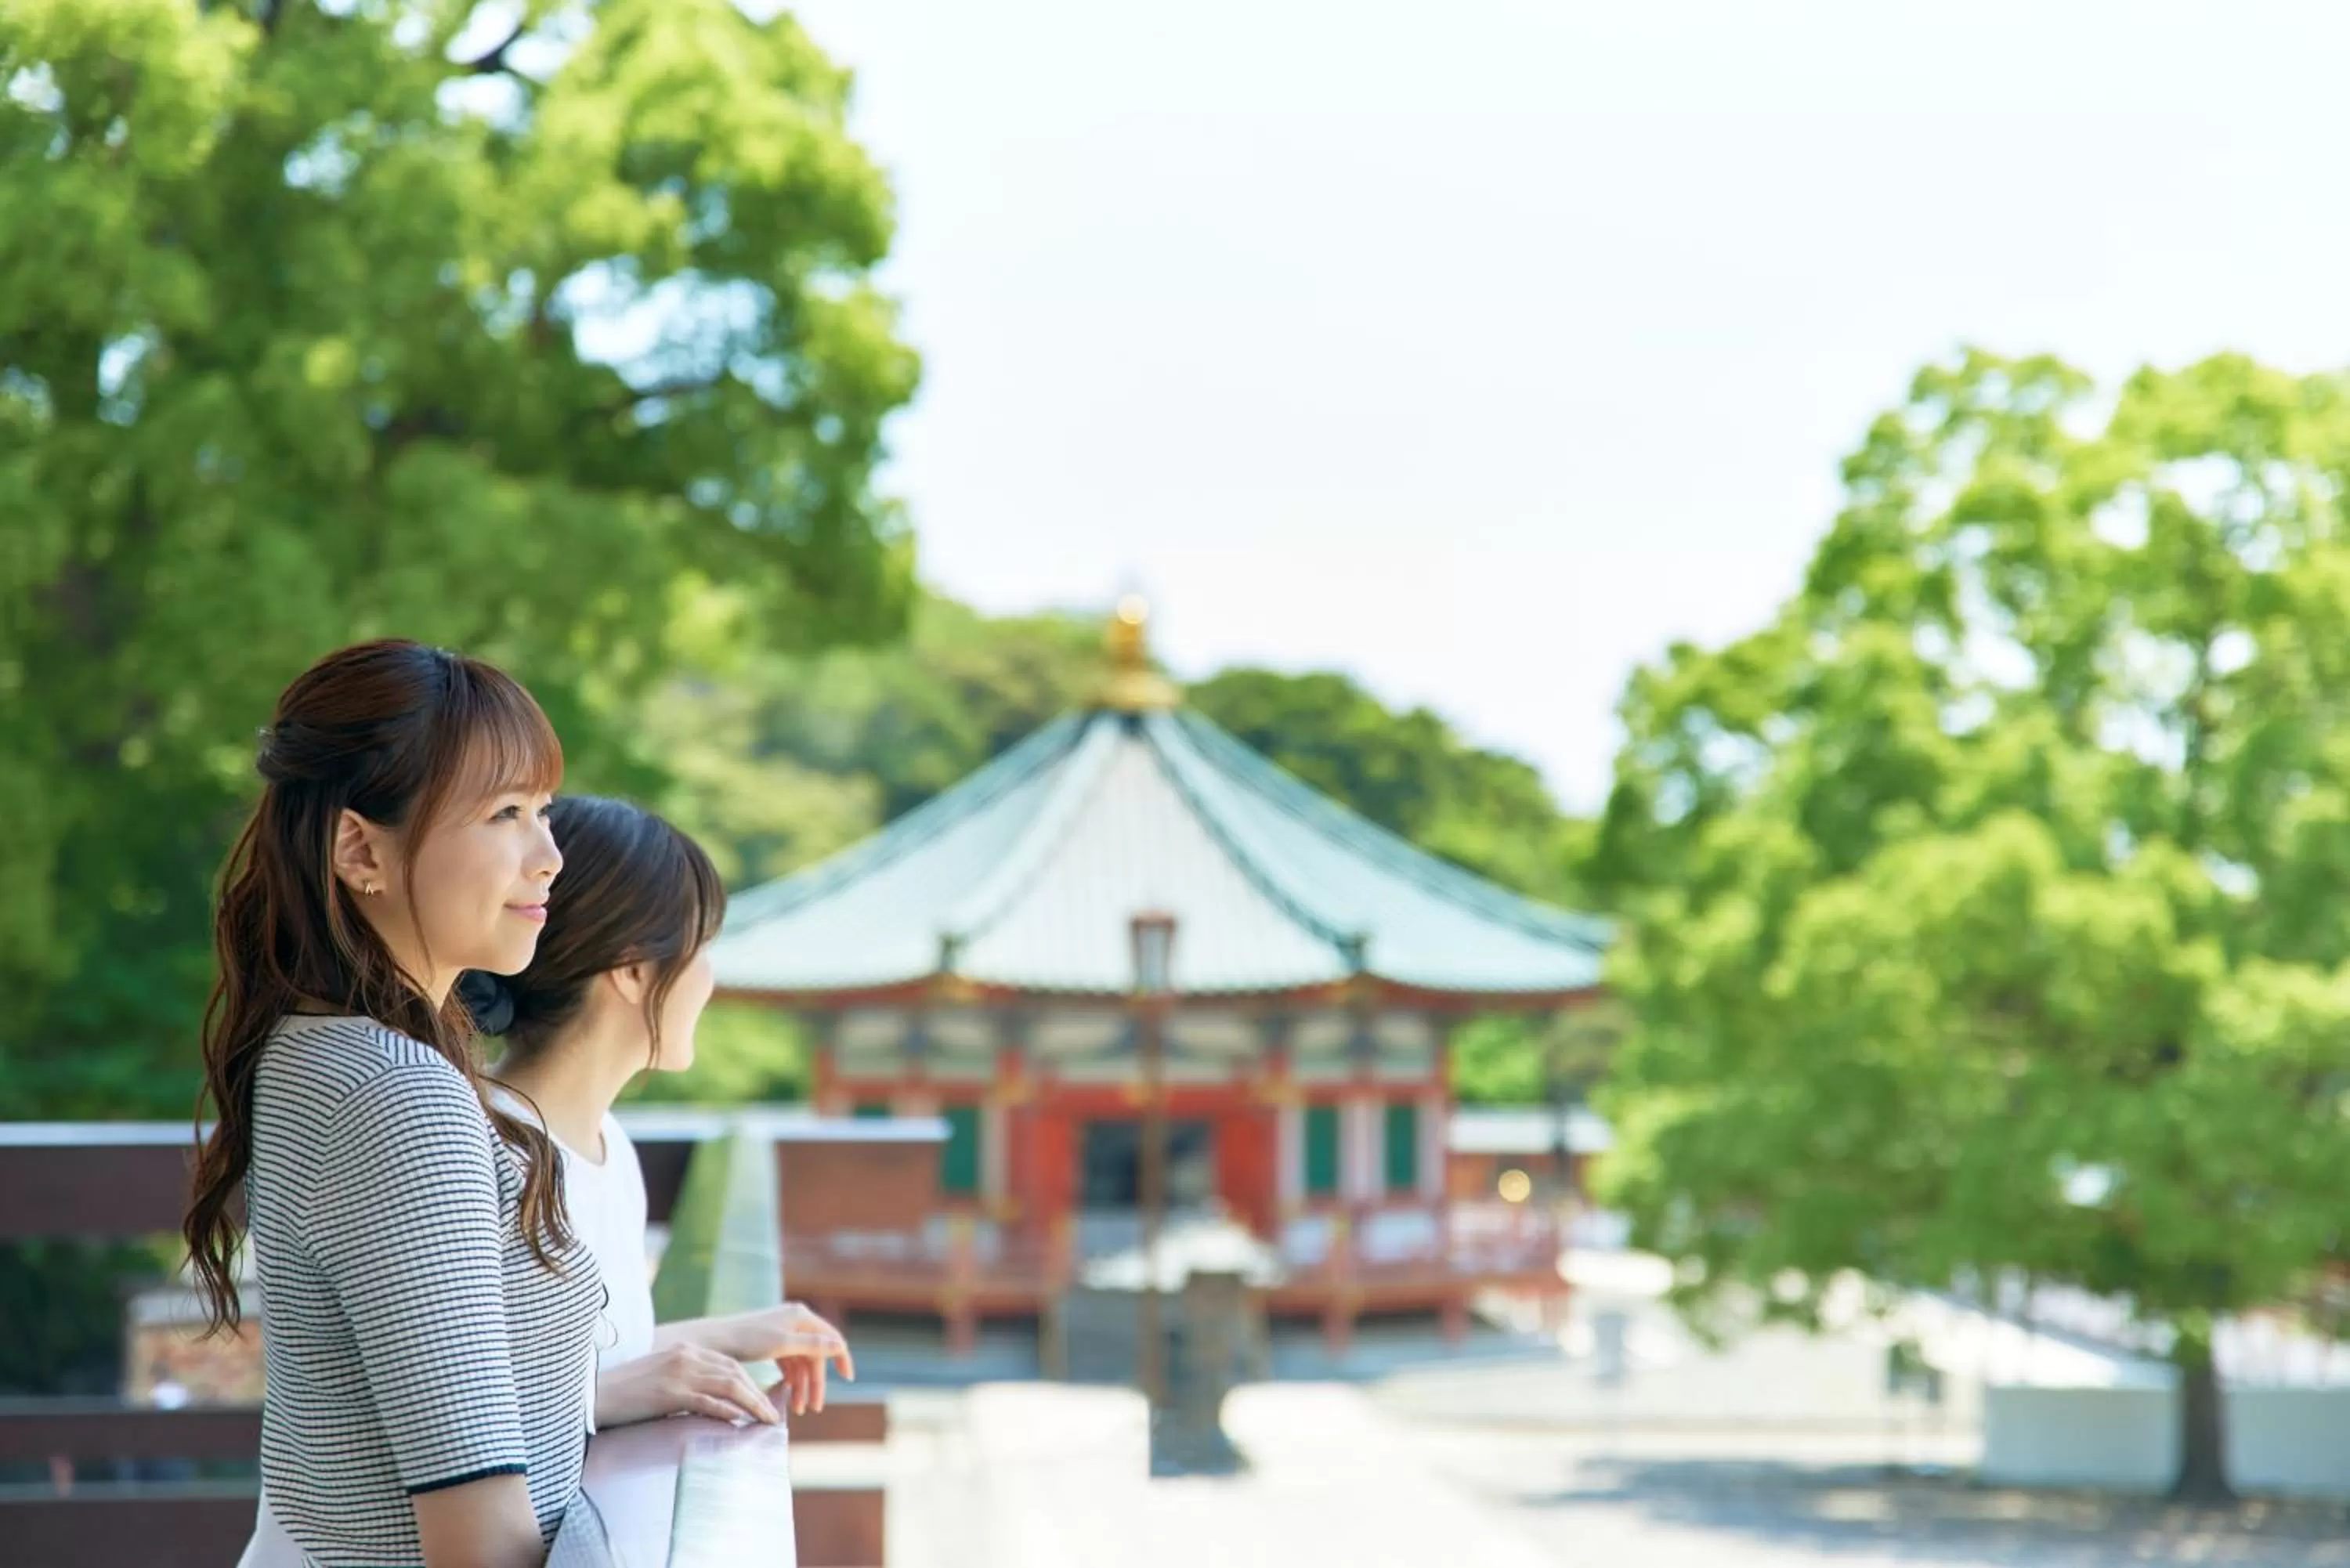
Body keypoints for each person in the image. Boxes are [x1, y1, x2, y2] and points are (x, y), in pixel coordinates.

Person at [184, 640, 603, 1568]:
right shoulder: (393, 1097)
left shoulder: (319, 1046)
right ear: (359, 847)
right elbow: (477, 1536)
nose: (550, 856)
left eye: (542, 811)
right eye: (505, 813)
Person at [465, 794, 854, 1429]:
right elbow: (441, 1411)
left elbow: (574, 1360)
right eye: (700, 946)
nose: (709, 977)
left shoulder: (603, 1143)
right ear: (634, 969)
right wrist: (605, 1398)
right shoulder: (478, 1152)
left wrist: (732, 1334)